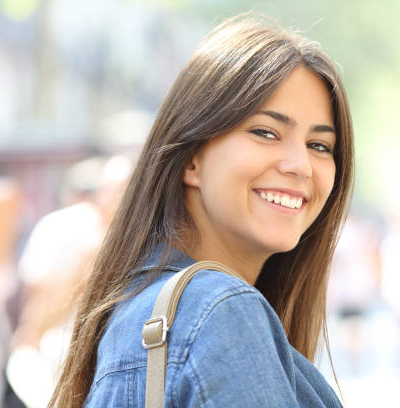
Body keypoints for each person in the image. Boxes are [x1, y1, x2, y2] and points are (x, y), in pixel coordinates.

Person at [49, 14, 354, 408]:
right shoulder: (221, 311)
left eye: (320, 146)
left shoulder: (134, 313)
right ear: (192, 158)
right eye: (266, 132)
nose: (300, 165)